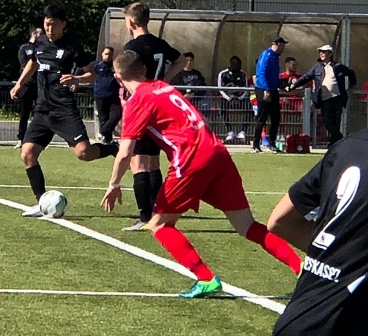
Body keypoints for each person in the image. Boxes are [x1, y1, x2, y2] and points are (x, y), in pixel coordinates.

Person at [101, 51, 302, 298]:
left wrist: (114, 184)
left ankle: (205, 278)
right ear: (143, 70)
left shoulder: (138, 101)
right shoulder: (163, 87)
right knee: (247, 225)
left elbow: (125, 152)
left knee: (159, 225)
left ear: (118, 77)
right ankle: (301, 268)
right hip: (217, 152)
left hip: (190, 159)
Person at [234, 128, 368, 336]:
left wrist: (336, 262)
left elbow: (281, 221)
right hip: (333, 332)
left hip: (314, 321)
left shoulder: (349, 147)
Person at [9, 3, 119, 217]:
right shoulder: (40, 42)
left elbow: (92, 75)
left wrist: (77, 78)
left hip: (64, 109)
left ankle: (113, 148)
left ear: (63, 24)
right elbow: (33, 63)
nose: (49, 28)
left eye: (53, 24)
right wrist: (19, 83)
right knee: (28, 153)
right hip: (43, 110)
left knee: (84, 153)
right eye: (46, 24)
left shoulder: (72, 47)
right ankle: (41, 202)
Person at [121, 1, 185, 231]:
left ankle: (144, 216)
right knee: (153, 162)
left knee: (138, 163)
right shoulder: (160, 44)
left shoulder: (132, 47)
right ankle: (158, 214)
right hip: (159, 104)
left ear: (131, 21)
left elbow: (125, 75)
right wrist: (164, 78)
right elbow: (181, 60)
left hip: (141, 104)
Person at [287, 44, 356, 147]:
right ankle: (340, 138)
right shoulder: (317, 67)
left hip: (337, 98)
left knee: (336, 122)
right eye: (320, 52)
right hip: (324, 99)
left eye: (324, 52)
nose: (321, 54)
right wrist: (293, 86)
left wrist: (352, 85)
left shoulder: (338, 66)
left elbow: (350, 73)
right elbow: (306, 77)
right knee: (327, 121)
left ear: (330, 54)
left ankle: (334, 143)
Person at [252, 37, 288, 153]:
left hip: (273, 89)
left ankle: (272, 143)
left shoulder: (276, 57)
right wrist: (266, 90)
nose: (283, 48)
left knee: (275, 117)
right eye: (282, 45)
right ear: (277, 44)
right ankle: (256, 144)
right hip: (264, 89)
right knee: (262, 117)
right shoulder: (267, 55)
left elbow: (273, 75)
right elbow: (262, 72)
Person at [15, 27, 43, 148]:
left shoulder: (44, 49)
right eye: (39, 34)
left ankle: (38, 139)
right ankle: (21, 138)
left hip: (40, 84)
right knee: (24, 113)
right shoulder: (24, 48)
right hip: (27, 84)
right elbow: (24, 65)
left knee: (39, 112)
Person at [218, 55, 251, 143]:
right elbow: (220, 88)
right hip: (227, 98)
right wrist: (229, 98)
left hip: (240, 98)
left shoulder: (243, 74)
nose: (238, 67)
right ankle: (230, 132)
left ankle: (243, 132)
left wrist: (240, 98)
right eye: (236, 65)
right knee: (222, 109)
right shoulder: (223, 74)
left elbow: (246, 89)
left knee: (250, 110)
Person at [93, 46, 122, 144]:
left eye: (109, 54)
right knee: (103, 118)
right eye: (106, 54)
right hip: (100, 96)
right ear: (102, 54)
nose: (107, 56)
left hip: (113, 96)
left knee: (116, 115)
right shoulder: (96, 65)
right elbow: (82, 70)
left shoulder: (116, 66)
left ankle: (103, 131)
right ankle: (107, 141)